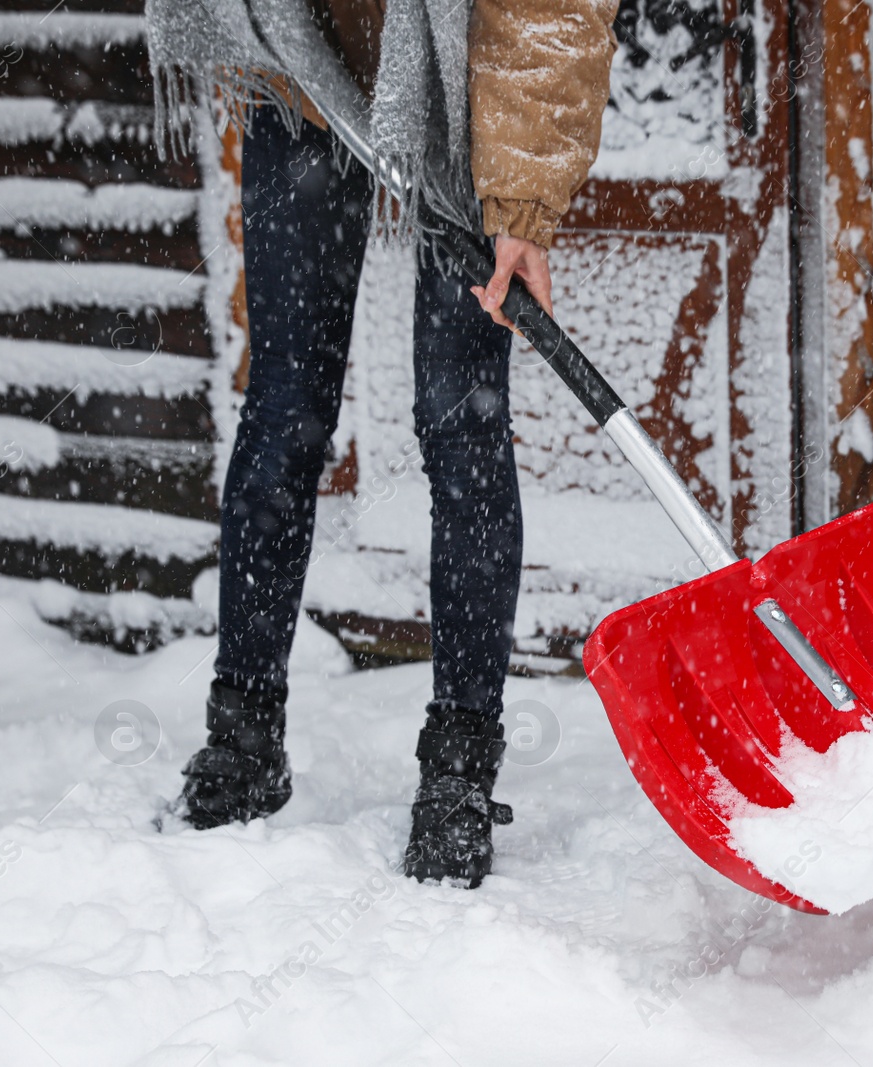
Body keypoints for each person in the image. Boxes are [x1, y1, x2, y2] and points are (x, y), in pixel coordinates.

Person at [167, 0, 619, 888]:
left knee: (462, 422)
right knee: (286, 405)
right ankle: (243, 738)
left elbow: (555, 13)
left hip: (461, 98)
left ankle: (458, 772)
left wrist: (522, 203)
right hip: (306, 71)